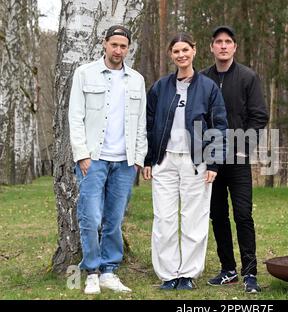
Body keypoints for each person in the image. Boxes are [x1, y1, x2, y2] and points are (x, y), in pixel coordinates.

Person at [143, 32, 227, 291]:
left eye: (185, 50)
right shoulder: (160, 87)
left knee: (194, 218)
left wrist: (213, 163)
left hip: (196, 163)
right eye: (176, 51)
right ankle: (168, 274)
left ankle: (187, 274)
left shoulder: (208, 87)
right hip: (164, 161)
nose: (181, 55)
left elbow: (219, 126)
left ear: (194, 51)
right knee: (164, 218)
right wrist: (148, 159)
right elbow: (149, 124)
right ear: (171, 54)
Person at [68, 25, 147, 294]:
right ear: (105, 44)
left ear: (128, 48)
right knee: (91, 216)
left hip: (124, 162)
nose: (118, 50)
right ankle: (91, 270)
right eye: (114, 44)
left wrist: (138, 158)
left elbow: (141, 124)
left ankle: (109, 271)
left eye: (123, 46)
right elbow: (75, 117)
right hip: (94, 158)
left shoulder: (136, 79)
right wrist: (81, 155)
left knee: (114, 219)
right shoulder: (84, 74)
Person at [202, 26, 268, 293]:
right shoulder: (202, 78)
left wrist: (243, 147)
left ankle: (250, 273)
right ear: (211, 47)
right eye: (218, 42)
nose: (223, 46)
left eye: (228, 41)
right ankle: (227, 269)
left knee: (243, 215)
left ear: (235, 47)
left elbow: (259, 116)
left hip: (239, 159)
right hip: (211, 160)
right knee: (218, 215)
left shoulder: (247, 77)